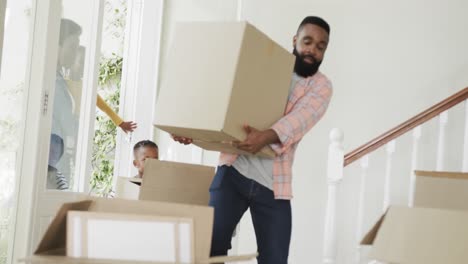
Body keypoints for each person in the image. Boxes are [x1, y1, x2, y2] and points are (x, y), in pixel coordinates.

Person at [172, 16, 333, 264]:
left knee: (275, 258)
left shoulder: (321, 87)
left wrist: (265, 137)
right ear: (295, 40)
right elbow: (225, 99)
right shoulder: (265, 63)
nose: (312, 50)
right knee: (209, 248)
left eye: (320, 47)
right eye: (307, 42)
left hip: (273, 184)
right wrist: (192, 131)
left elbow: (300, 120)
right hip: (233, 172)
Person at [67, 45, 137, 133]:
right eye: (80, 62)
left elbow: (104, 107)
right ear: (71, 61)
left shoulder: (86, 88)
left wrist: (120, 123)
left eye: (85, 64)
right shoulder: (63, 82)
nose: (83, 67)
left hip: (78, 126)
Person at [48, 18, 82, 190]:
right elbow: (69, 126)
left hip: (58, 166)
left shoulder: (61, 81)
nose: (75, 54)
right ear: (57, 45)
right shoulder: (51, 83)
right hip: (53, 167)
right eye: (72, 48)